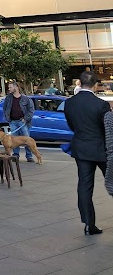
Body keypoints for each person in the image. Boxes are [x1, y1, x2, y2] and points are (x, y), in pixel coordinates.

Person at [64, 70, 111, 235]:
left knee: (84, 186)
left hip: (81, 149)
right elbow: (108, 130)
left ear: (80, 83)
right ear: (96, 85)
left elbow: (72, 125)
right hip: (101, 149)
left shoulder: (69, 103)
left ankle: (88, 224)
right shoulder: (101, 105)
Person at [2, 80, 35, 162]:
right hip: (13, 121)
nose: (9, 89)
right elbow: (5, 108)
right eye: (8, 87)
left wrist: (25, 119)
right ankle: (16, 155)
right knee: (14, 140)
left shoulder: (25, 99)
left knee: (27, 140)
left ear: (16, 87)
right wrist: (7, 117)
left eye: (10, 87)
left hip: (22, 122)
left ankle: (29, 156)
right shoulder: (8, 98)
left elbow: (31, 110)